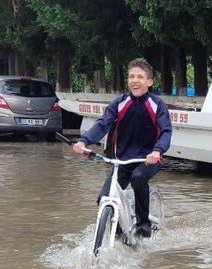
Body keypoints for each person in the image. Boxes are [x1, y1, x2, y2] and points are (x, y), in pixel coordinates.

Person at [73, 58, 172, 238]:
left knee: (139, 177)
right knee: (104, 198)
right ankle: (119, 235)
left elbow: (166, 131)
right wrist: (84, 141)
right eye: (131, 76)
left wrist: (157, 151)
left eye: (140, 77)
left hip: (148, 159)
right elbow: (103, 124)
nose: (135, 80)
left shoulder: (157, 104)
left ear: (149, 82)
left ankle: (143, 224)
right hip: (123, 161)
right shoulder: (119, 103)